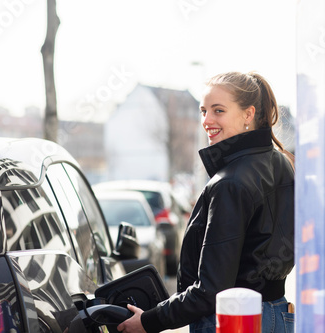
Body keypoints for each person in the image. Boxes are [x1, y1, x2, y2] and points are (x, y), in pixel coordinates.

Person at [117, 71, 295, 333]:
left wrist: (148, 321)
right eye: (203, 111)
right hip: (278, 315)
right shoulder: (282, 164)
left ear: (248, 114)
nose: (206, 120)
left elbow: (212, 290)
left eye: (218, 110)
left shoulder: (229, 183)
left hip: (233, 320)